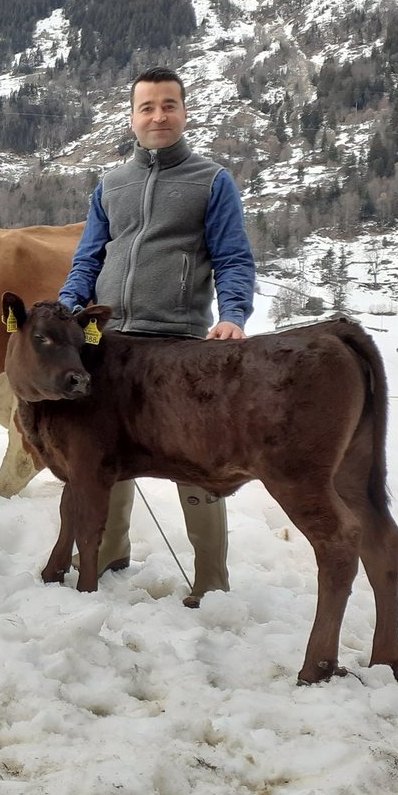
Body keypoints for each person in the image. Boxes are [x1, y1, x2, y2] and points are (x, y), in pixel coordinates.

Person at [58, 65, 256, 606]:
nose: (158, 115)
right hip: (110, 343)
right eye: (147, 106)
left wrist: (234, 314)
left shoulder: (211, 181)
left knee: (196, 461)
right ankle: (107, 552)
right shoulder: (111, 185)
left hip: (180, 345)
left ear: (184, 113)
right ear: (132, 117)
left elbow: (235, 259)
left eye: (168, 105)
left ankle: (212, 578)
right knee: (105, 455)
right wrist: (69, 305)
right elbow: (89, 259)